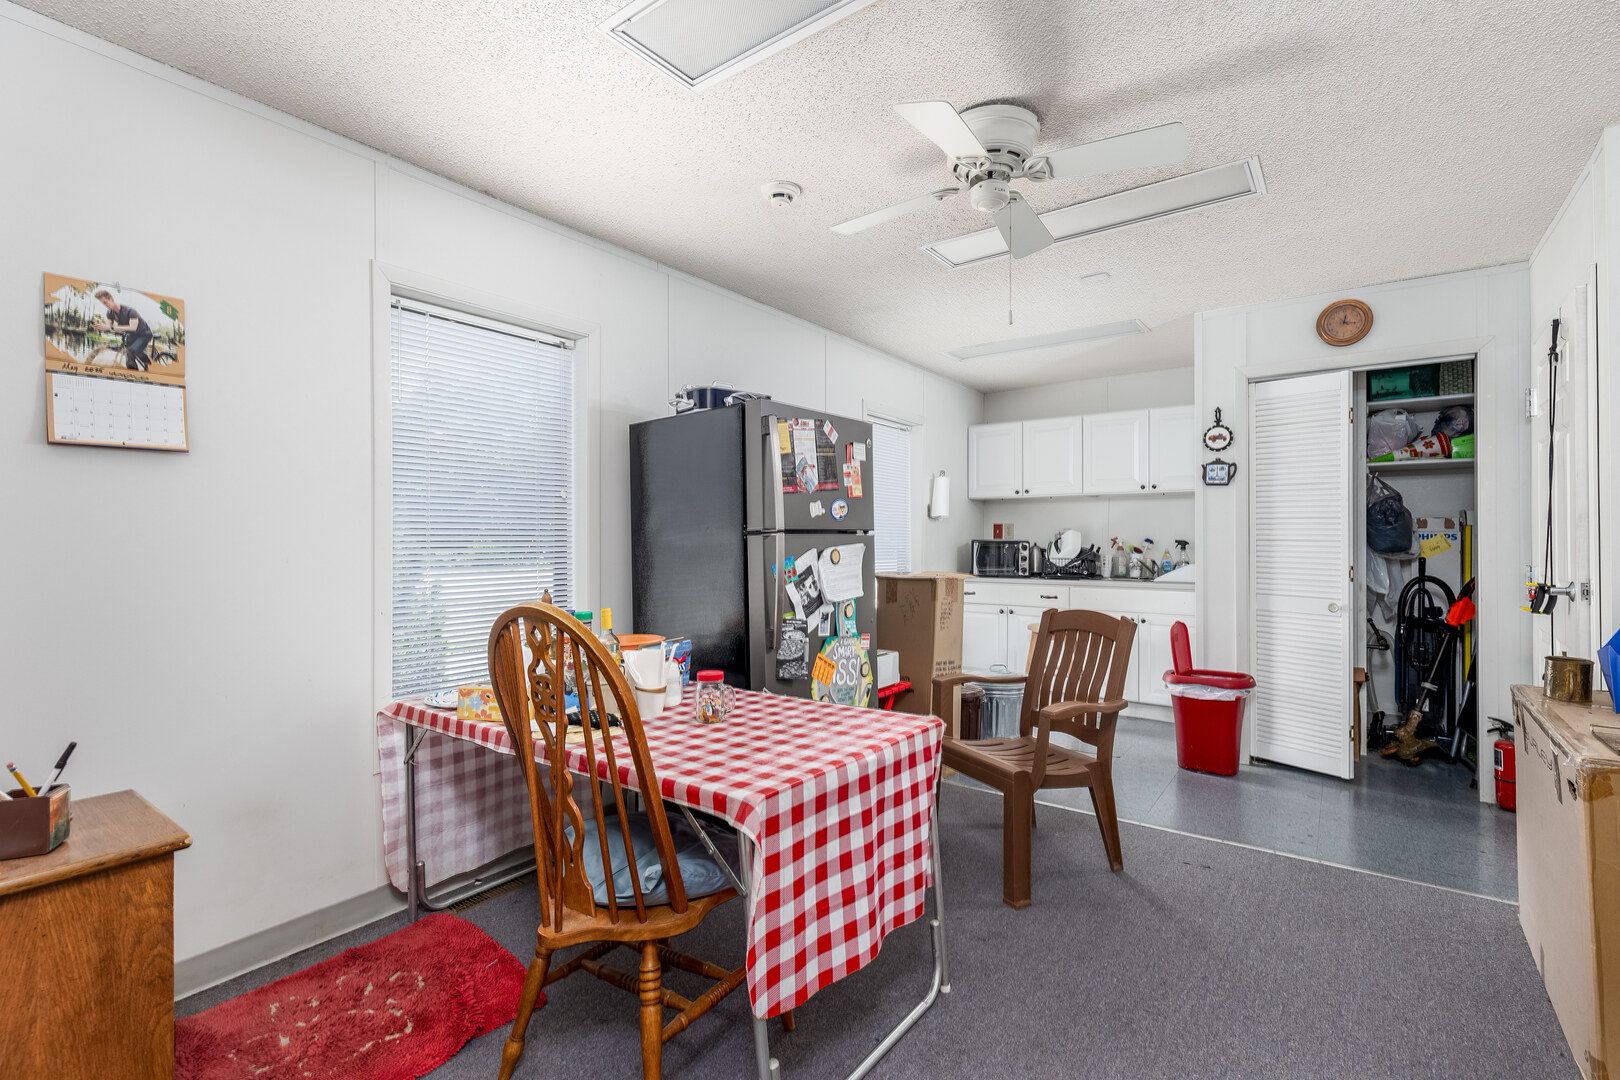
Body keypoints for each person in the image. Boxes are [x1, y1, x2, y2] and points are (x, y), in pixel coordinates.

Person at [93, 287, 152, 371]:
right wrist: (100, 327)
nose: (105, 305)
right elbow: (108, 326)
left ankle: (137, 372)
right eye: (103, 304)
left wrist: (111, 327)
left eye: (106, 302)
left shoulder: (130, 311)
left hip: (144, 334)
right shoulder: (109, 312)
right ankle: (144, 364)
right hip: (131, 335)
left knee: (130, 351)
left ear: (111, 299)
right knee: (130, 351)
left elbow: (133, 327)